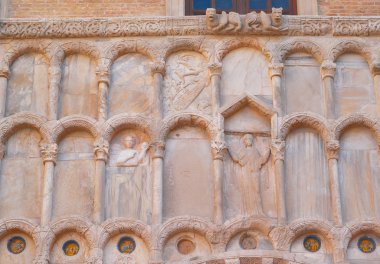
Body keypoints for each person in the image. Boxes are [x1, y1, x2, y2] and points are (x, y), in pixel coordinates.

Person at [228, 134, 270, 216]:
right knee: (246, 190)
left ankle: (258, 212)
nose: (249, 140)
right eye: (247, 139)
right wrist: (229, 149)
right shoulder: (242, 151)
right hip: (246, 173)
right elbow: (236, 158)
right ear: (244, 142)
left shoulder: (255, 151)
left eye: (250, 139)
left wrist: (269, 150)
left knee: (256, 191)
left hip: (254, 173)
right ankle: (247, 212)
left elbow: (262, 160)